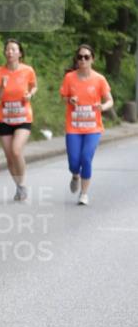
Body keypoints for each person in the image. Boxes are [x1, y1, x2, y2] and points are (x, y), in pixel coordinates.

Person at [60, 44, 113, 206]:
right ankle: (75, 175)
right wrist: (70, 100)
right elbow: (63, 97)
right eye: (80, 57)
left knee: (86, 158)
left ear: (92, 59)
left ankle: (84, 193)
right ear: (76, 59)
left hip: (93, 127)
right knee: (74, 162)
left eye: (86, 57)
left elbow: (110, 100)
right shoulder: (70, 78)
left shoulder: (99, 79)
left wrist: (102, 107)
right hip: (74, 126)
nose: (83, 60)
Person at [0, 39, 37, 201]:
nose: (10, 52)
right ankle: (18, 186)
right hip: (4, 119)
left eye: (13, 49)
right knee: (9, 156)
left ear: (20, 53)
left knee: (16, 150)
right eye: (7, 50)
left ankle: (23, 183)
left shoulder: (28, 70)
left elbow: (34, 86)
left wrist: (30, 94)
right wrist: (2, 88)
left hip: (23, 117)